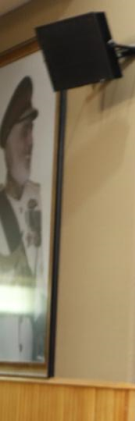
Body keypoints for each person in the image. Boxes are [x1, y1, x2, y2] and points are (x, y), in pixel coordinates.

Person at [0, 76, 44, 363]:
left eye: (32, 131)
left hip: (29, 350)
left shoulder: (39, 198)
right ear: (6, 140)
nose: (31, 143)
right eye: (24, 131)